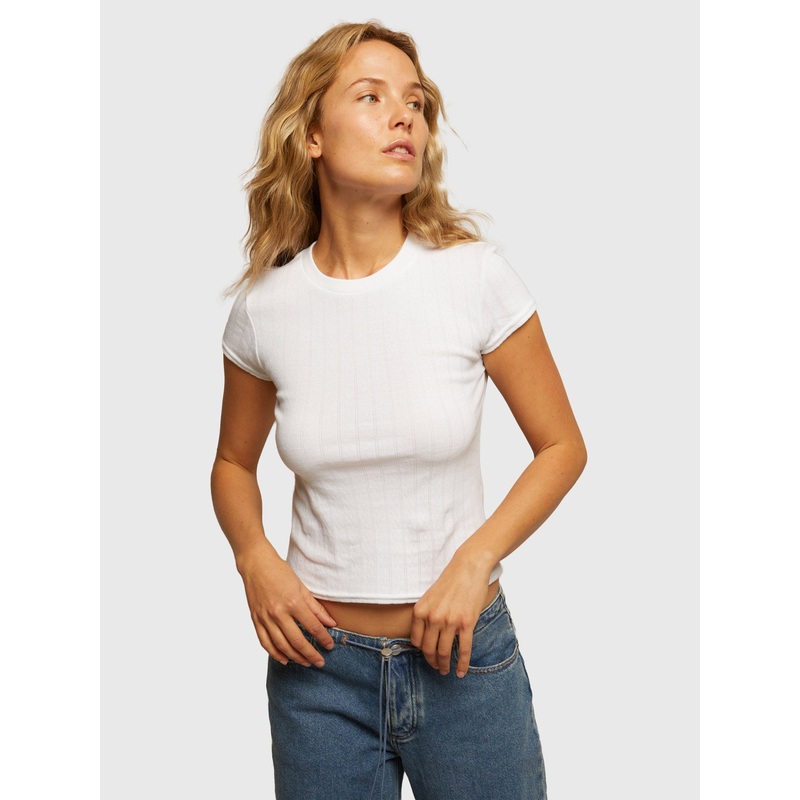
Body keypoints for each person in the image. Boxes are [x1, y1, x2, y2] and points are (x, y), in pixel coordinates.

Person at [210, 20, 587, 800]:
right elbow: (232, 464)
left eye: (415, 102)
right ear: (311, 135)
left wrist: (474, 561)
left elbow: (562, 447)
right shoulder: (265, 309)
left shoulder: (474, 277)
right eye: (371, 97)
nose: (403, 116)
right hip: (317, 669)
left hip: (464, 662)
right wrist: (254, 558)